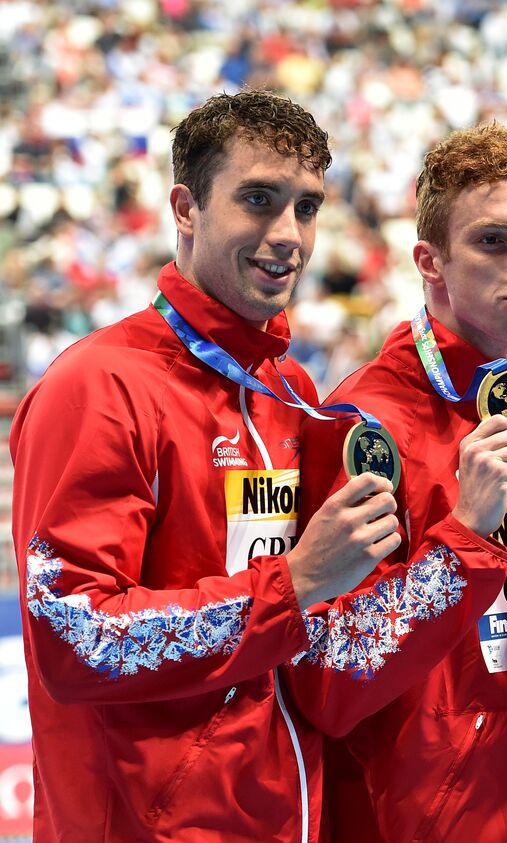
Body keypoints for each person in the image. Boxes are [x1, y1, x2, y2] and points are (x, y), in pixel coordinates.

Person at [10, 91, 409, 841]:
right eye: (258, 200)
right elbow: (74, 640)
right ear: (186, 208)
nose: (287, 234)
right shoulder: (98, 387)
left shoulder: (289, 391)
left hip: (285, 814)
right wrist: (295, 583)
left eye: (307, 207)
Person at [284, 123, 507, 841]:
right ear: (430, 260)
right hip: (416, 817)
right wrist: (465, 537)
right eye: (493, 241)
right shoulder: (363, 423)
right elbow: (328, 680)